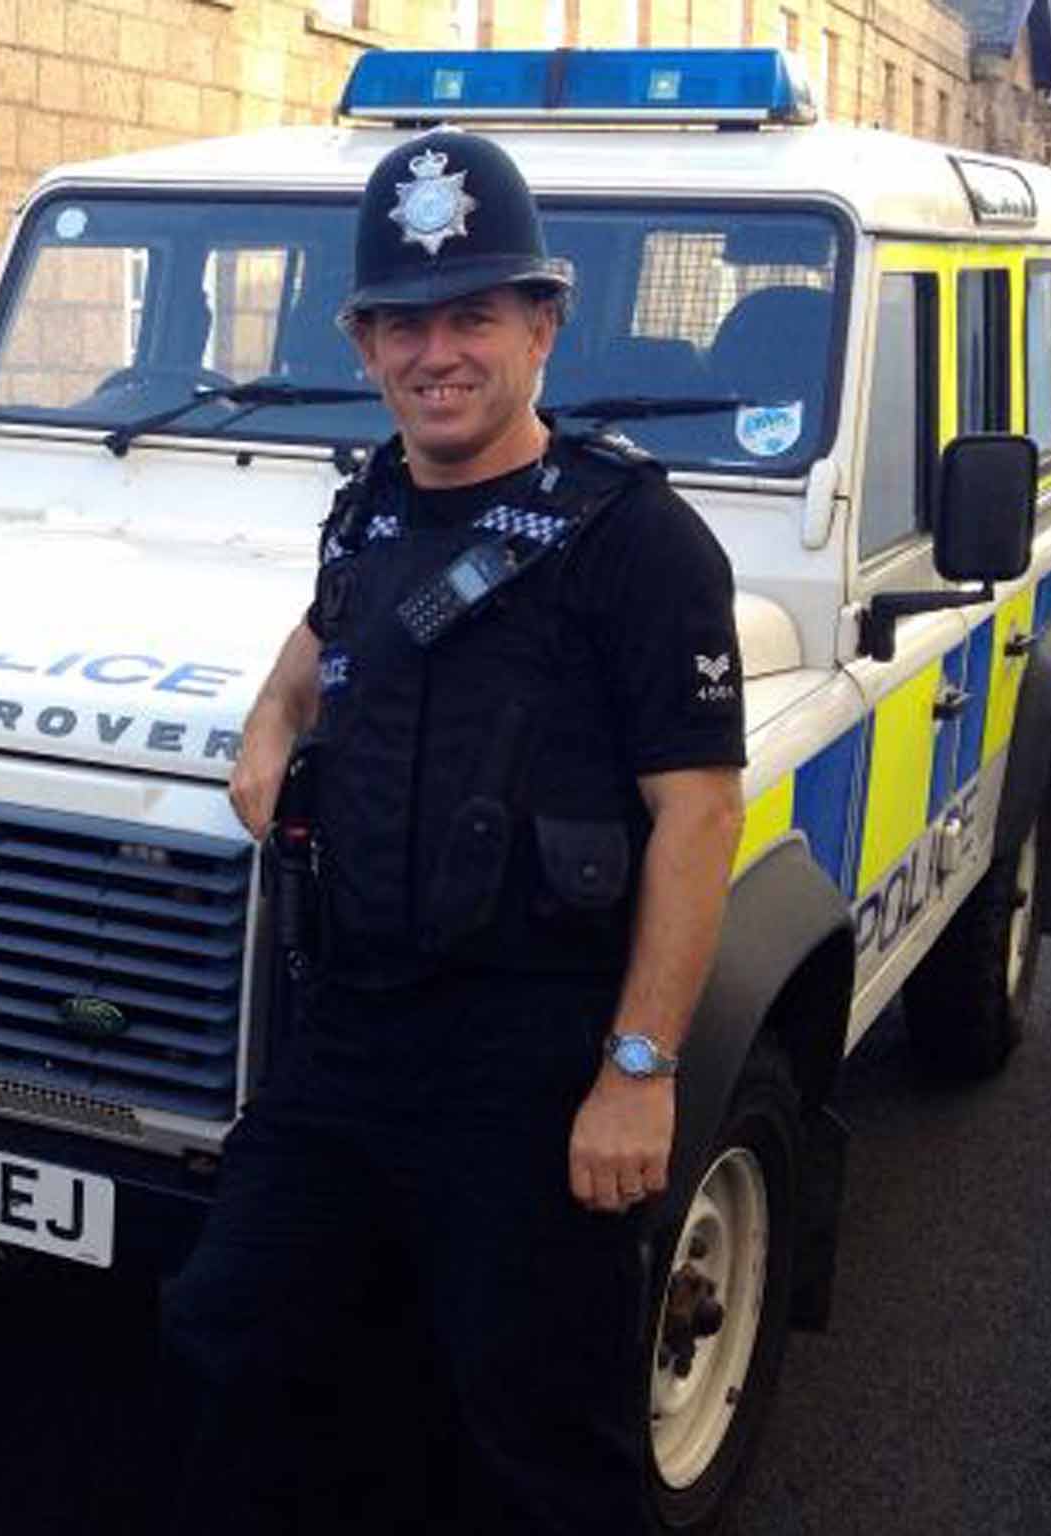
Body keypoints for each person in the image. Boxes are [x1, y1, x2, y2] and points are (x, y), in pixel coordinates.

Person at [160, 127, 748, 1534]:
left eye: (473, 315)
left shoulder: (637, 543)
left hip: (534, 1061)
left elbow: (699, 815)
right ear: (364, 343)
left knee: (540, 1427)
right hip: (352, 1037)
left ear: (542, 325)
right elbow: (327, 637)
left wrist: (640, 1071)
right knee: (236, 1332)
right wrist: (265, 721)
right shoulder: (369, 508)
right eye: (405, 322)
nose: (438, 353)